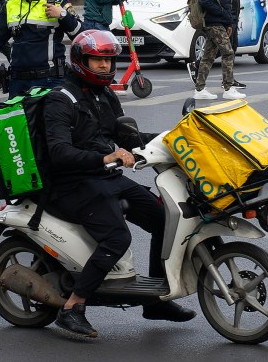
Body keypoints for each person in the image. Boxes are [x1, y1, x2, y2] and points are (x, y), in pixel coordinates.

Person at [45, 30, 196, 338]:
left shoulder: (105, 95)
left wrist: (176, 140)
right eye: (97, 61)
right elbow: (59, 152)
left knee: (165, 219)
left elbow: (126, 137)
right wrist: (104, 158)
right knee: (117, 237)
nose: (104, 66)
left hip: (106, 177)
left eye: (108, 61)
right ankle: (73, 306)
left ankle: (155, 302)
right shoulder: (59, 100)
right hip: (71, 185)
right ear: (80, 61)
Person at [192, 0, 244, 101]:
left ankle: (200, 89)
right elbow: (206, 2)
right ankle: (228, 88)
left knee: (208, 56)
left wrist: (227, 22)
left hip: (219, 22)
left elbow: (225, 2)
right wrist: (223, 16)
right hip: (213, 22)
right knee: (228, 52)